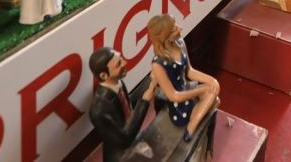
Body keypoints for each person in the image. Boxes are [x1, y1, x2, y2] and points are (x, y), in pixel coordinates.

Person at [146, 14, 220, 142]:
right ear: (165, 37)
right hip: (178, 106)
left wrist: (211, 80)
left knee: (215, 89)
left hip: (186, 89)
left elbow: (189, 72)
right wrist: (201, 91)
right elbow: (173, 96)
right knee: (214, 99)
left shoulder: (180, 43)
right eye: (174, 29)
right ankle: (191, 127)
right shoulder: (158, 64)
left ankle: (194, 121)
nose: (180, 28)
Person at [88, 46, 155, 162]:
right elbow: (124, 139)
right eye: (118, 64)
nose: (125, 63)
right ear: (104, 75)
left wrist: (149, 80)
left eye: (121, 59)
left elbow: (127, 104)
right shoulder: (98, 110)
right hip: (121, 154)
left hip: (134, 134)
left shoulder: (117, 83)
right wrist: (143, 103)